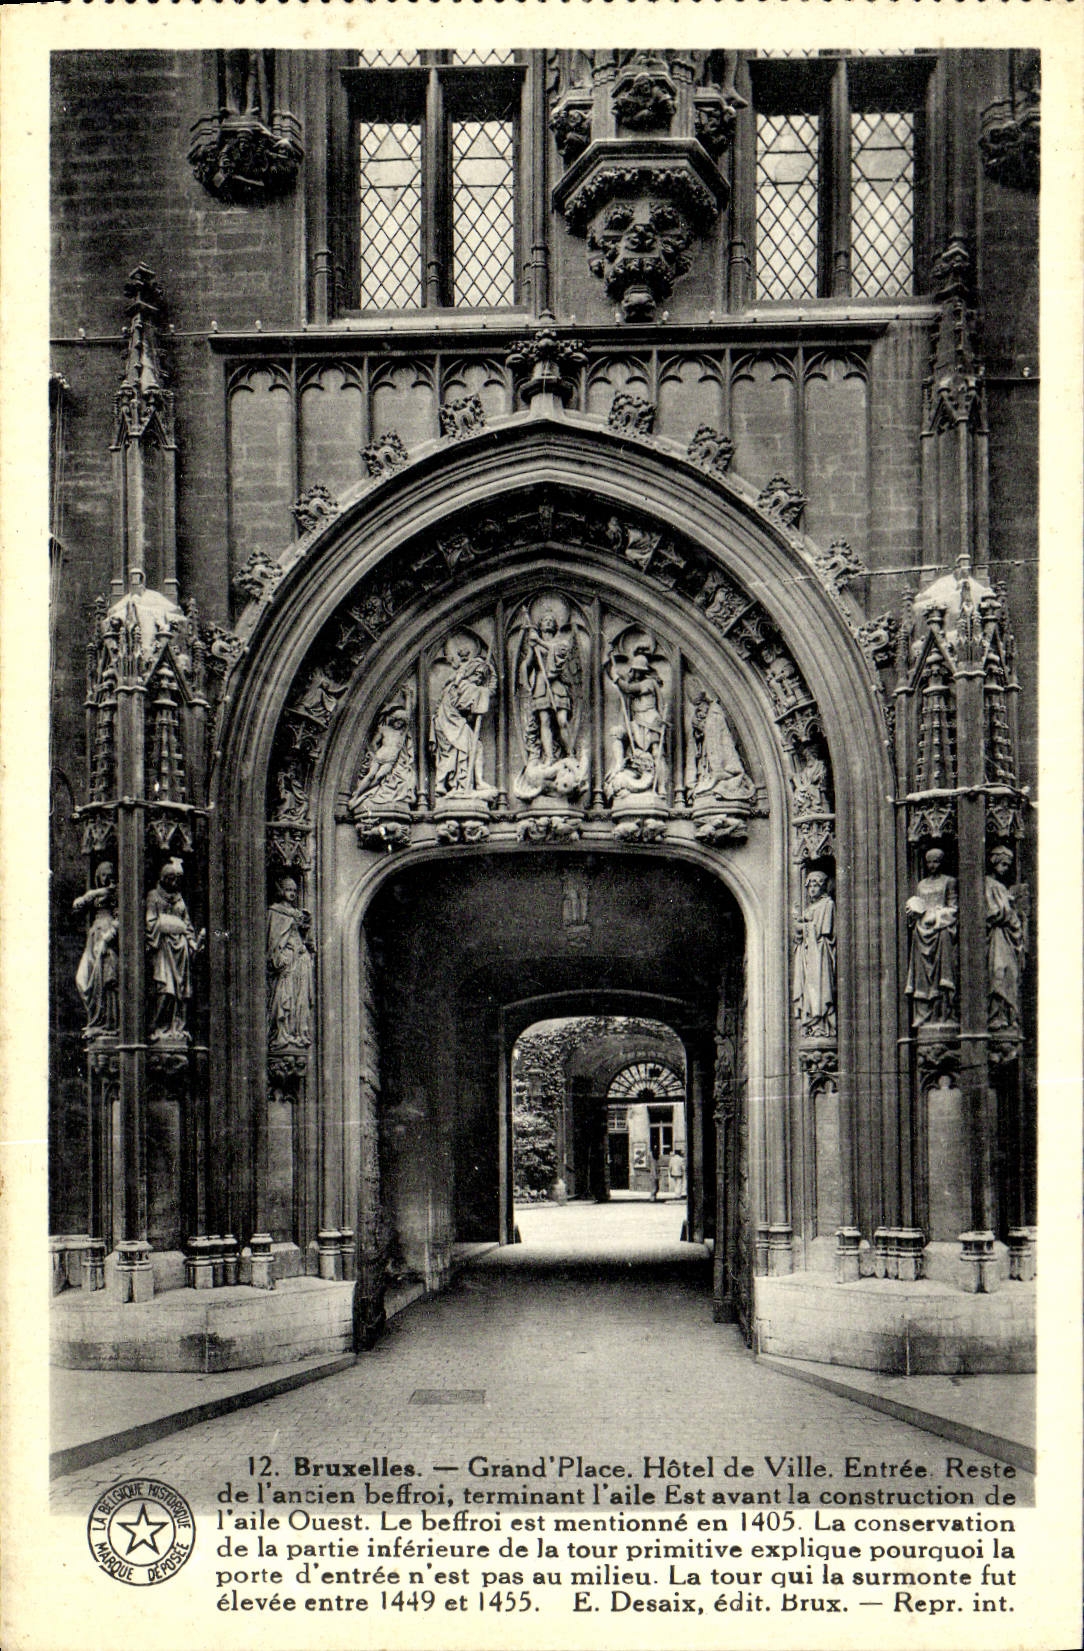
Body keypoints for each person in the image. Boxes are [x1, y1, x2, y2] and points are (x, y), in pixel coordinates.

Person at [146, 858, 205, 1041]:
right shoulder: (153, 896)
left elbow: (187, 925)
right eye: (170, 879)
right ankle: (158, 1028)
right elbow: (150, 922)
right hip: (163, 948)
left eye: (177, 879)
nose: (174, 883)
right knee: (166, 990)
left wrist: (193, 943)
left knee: (182, 992)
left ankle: (177, 1028)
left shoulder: (179, 899)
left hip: (181, 951)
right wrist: (166, 925)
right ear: (163, 878)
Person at [905, 847, 958, 1027]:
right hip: (921, 933)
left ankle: (943, 1012)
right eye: (929, 862)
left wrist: (935, 916)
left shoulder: (949, 882)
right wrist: (914, 913)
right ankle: (924, 1014)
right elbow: (919, 904)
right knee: (922, 976)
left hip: (941, 930)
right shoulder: (921, 885)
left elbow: (953, 908)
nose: (932, 865)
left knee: (943, 972)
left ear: (942, 862)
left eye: (936, 861)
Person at [266, 875, 315, 1050]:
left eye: (294, 890)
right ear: (280, 891)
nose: (292, 893)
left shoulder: (298, 913)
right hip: (286, 960)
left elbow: (308, 941)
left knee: (299, 997)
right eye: (288, 890)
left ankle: (298, 1033)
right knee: (284, 994)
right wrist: (279, 957)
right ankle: (282, 1033)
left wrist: (305, 929)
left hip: (300, 960)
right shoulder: (274, 912)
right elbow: (273, 939)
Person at [73, 862, 119, 1035]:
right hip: (93, 937)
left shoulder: (118, 892)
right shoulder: (99, 893)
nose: (108, 878)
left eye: (110, 874)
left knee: (103, 981)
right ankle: (95, 1018)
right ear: (98, 877)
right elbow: (77, 905)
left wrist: (109, 937)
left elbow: (122, 916)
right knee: (82, 979)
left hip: (107, 939)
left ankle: (105, 1023)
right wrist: (96, 893)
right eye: (103, 875)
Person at [792, 869, 837, 1038]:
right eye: (809, 885)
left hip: (819, 953)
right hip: (807, 953)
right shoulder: (810, 908)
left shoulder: (828, 904)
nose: (812, 889)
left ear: (823, 887)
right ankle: (811, 1023)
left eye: (816, 885)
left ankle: (822, 1025)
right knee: (807, 990)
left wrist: (802, 925)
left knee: (819, 988)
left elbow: (822, 931)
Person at [985, 846, 1025, 1031]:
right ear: (993, 863)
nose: (1006, 868)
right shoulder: (988, 884)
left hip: (1005, 936)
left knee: (1009, 973)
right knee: (998, 972)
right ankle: (996, 1016)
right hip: (996, 936)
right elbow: (993, 912)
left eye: (1008, 865)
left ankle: (1007, 1016)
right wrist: (1009, 907)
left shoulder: (1000, 886)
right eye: (1003, 864)